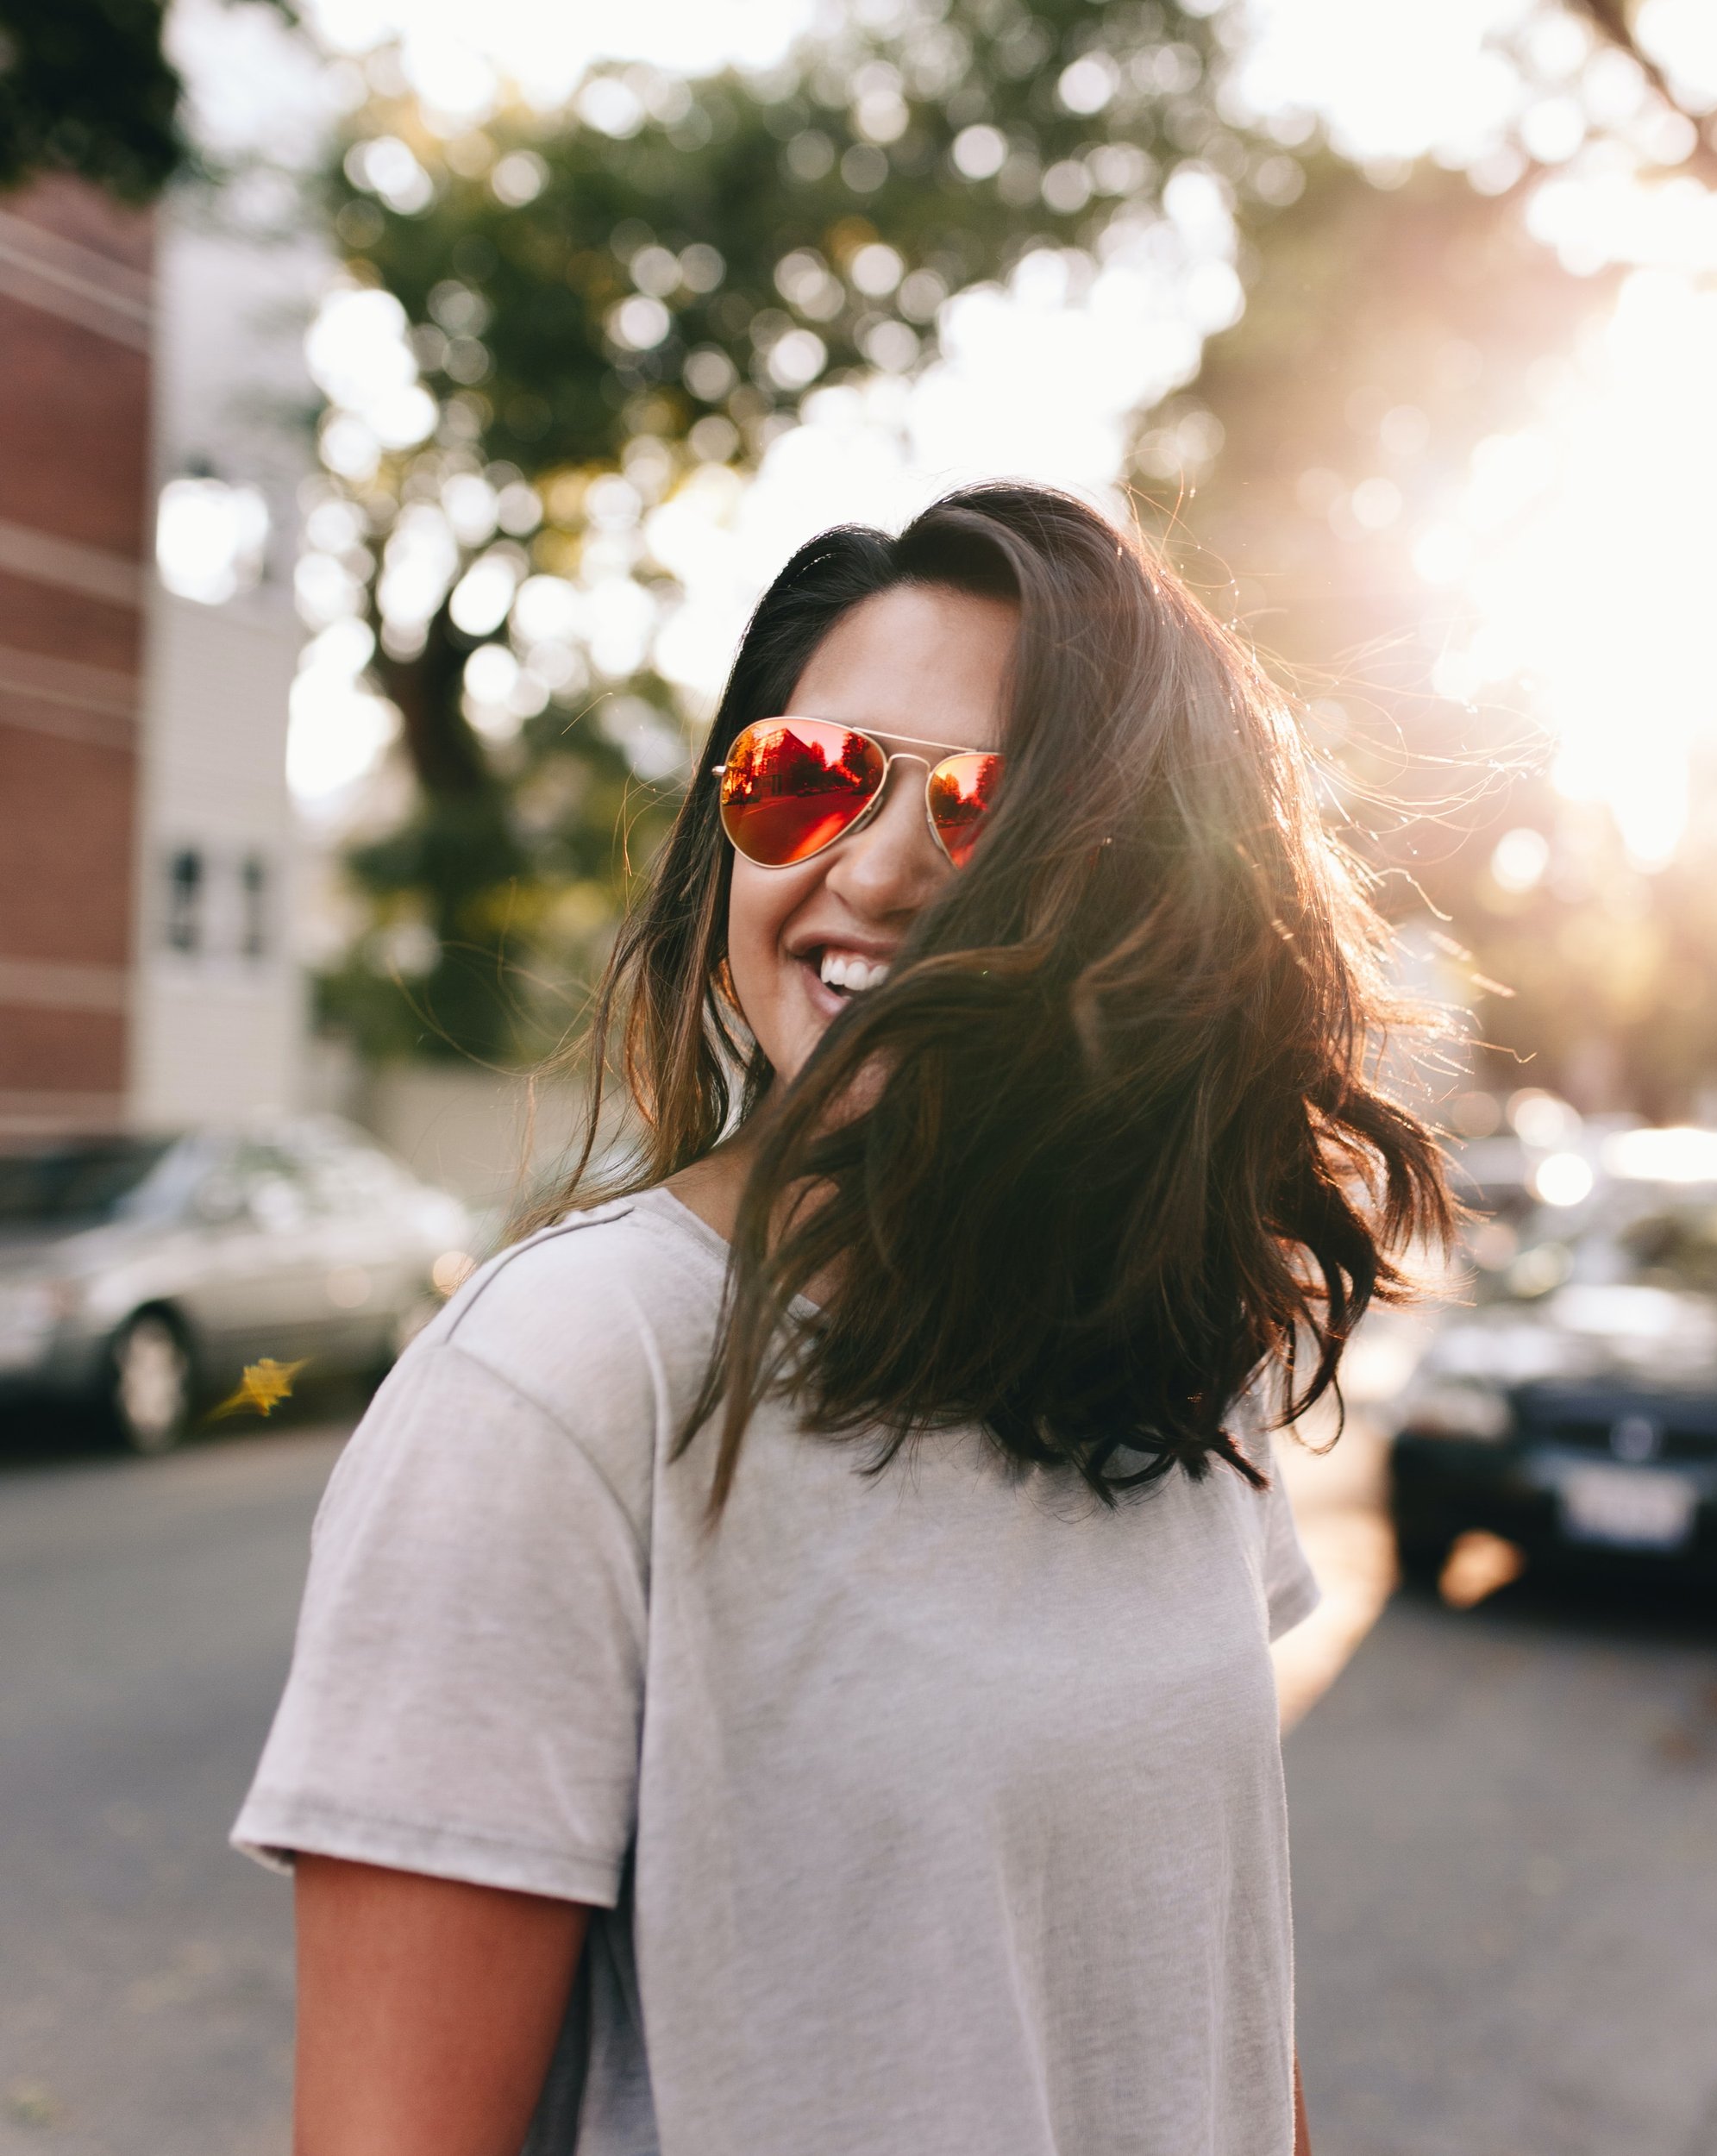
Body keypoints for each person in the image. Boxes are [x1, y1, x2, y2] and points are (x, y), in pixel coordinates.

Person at [234, 482, 1452, 2155]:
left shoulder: (1171, 1357)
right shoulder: (561, 1381)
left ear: (1150, 896)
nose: (868, 871)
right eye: (804, 780)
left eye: (980, 811)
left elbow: (1211, 2007)